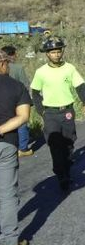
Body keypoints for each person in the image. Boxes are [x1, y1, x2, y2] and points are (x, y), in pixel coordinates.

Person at [30, 37, 85, 192]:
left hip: (67, 112)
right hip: (50, 112)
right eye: (53, 52)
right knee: (55, 144)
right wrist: (41, 111)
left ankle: (67, 168)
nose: (56, 54)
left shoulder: (69, 68)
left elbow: (80, 87)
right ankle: (61, 175)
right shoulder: (41, 72)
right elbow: (35, 93)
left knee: (68, 144)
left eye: (58, 51)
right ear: (47, 54)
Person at [0, 50, 31, 245]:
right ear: (2, 63)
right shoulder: (16, 86)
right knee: (7, 194)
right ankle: (9, 240)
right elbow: (23, 116)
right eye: (7, 62)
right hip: (6, 143)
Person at [1, 46, 32, 157]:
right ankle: (22, 148)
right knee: (21, 123)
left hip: (4, 102)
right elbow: (25, 83)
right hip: (18, 99)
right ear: (12, 54)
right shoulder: (17, 67)